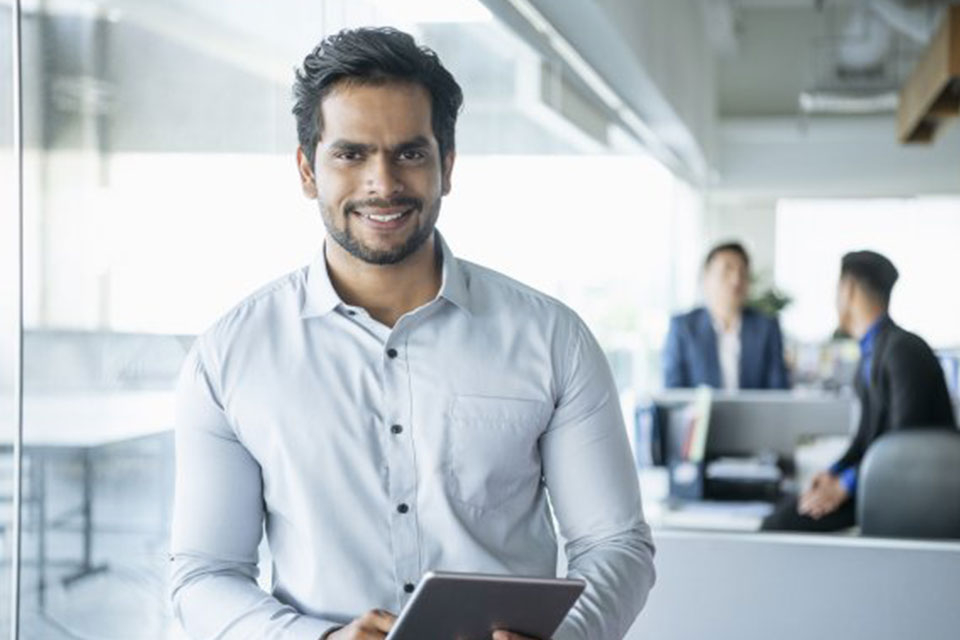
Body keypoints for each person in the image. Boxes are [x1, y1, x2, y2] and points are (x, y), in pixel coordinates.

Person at [168, 27, 655, 640]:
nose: (383, 182)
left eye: (410, 152)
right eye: (351, 154)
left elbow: (617, 544)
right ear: (307, 169)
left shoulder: (552, 339)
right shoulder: (229, 357)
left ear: (446, 166)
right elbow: (204, 574)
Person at [762, 250, 956, 532]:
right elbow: (865, 439)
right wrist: (833, 473)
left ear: (848, 289)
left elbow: (904, 445)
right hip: (883, 479)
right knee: (786, 513)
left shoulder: (903, 349)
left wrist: (845, 485)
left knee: (781, 525)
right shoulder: (872, 352)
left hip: (911, 489)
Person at [663, 241, 789, 390]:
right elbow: (673, 393)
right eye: (726, 270)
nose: (736, 280)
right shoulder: (683, 327)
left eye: (742, 272)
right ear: (706, 278)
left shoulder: (767, 327)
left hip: (756, 414)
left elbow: (778, 391)